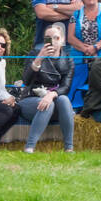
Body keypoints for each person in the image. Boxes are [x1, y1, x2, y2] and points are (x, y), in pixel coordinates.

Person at [17, 21, 75, 153]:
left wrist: (51, 94)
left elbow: (66, 87)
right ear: (44, 40)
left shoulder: (68, 60)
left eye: (57, 38)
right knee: (48, 104)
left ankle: (69, 148)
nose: (53, 41)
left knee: (64, 100)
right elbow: (26, 81)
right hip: (30, 100)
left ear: (63, 40)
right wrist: (38, 60)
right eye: (49, 38)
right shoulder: (35, 54)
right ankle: (30, 147)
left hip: (54, 102)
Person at [68, 0, 101, 109]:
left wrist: (96, 47)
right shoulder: (76, 13)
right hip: (80, 61)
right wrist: (86, 49)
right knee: (76, 99)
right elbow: (70, 37)